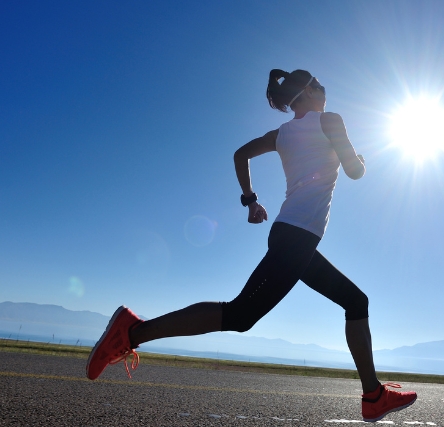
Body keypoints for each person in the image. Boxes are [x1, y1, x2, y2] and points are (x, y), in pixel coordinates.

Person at [85, 69, 417, 422]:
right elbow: (355, 172)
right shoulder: (330, 121)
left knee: (355, 301)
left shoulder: (282, 134)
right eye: (319, 86)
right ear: (304, 94)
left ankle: (372, 396)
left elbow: (240, 154)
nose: (325, 90)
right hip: (295, 238)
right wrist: (359, 160)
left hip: (295, 237)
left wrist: (250, 201)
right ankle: (132, 332)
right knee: (240, 315)